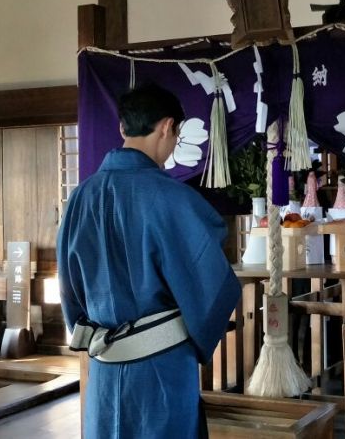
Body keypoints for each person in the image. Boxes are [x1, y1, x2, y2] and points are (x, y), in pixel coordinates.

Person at [57, 83, 241, 438]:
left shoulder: (80, 197)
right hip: (162, 365)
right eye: (175, 135)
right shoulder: (174, 199)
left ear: (123, 128)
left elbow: (68, 282)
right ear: (168, 127)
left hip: (104, 367)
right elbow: (208, 281)